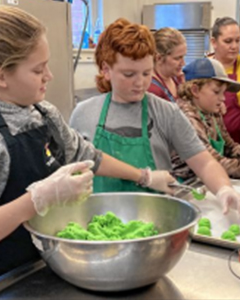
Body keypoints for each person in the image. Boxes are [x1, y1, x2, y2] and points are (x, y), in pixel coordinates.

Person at [0, 6, 177, 286]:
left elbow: (87, 155)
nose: (50, 76)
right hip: (9, 278)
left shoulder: (43, 112)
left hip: (58, 262)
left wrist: (143, 176)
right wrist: (36, 200)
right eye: (38, 69)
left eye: (47, 64)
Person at [69, 18, 240, 214]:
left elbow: (205, 162)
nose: (140, 83)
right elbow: (75, 172)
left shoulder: (166, 112)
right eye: (129, 74)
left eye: (146, 73)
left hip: (154, 225)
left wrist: (224, 188)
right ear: (106, 70)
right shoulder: (83, 114)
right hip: (97, 224)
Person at [175, 57, 240, 179]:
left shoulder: (212, 113)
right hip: (187, 185)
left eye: (223, 93)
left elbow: (230, 146)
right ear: (195, 90)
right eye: (216, 92)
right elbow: (212, 161)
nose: (223, 99)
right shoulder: (185, 117)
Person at [208, 17, 240, 143]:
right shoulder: (203, 69)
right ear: (214, 42)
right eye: (228, 41)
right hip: (211, 143)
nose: (234, 46)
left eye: (238, 41)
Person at [147, 27, 187, 102]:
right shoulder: (153, 90)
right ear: (159, 58)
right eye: (177, 58)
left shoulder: (177, 78)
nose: (183, 63)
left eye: (183, 57)